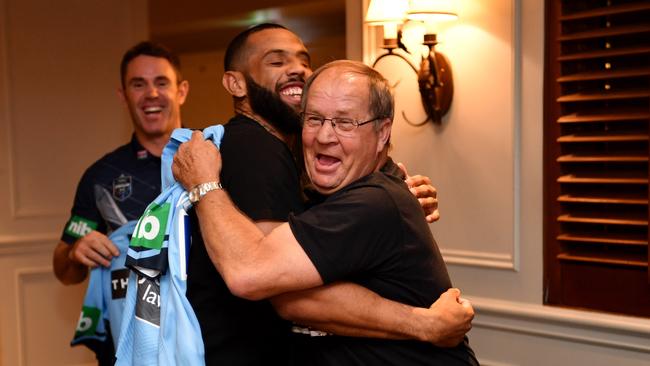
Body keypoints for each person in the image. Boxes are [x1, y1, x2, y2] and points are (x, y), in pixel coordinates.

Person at [183, 23, 471, 365]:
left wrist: (203, 183)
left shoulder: (373, 199)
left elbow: (256, 276)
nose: (324, 136)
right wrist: (424, 323)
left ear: (382, 134)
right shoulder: (277, 155)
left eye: (345, 122)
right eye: (314, 119)